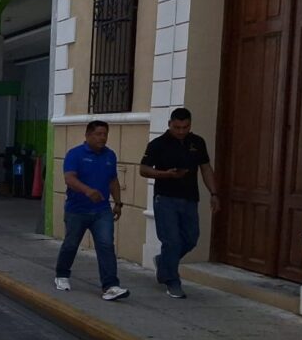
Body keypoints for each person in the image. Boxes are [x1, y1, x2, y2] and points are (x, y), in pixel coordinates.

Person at [139, 108, 218, 299]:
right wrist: (165, 174)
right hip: (165, 198)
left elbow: (206, 168)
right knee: (172, 240)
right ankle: (172, 281)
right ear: (169, 124)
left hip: (190, 198)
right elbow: (143, 169)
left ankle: (164, 262)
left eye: (185, 127)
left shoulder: (197, 142)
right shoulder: (158, 144)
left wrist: (214, 193)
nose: (181, 131)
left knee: (191, 238)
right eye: (177, 127)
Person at [54, 120, 130, 302]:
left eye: (105, 134)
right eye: (98, 134)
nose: (102, 138)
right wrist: (87, 191)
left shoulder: (110, 155)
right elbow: (69, 178)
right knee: (71, 244)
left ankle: (110, 285)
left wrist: (118, 203)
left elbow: (113, 180)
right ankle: (62, 274)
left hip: (102, 210)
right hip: (77, 210)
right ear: (87, 136)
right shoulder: (75, 154)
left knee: (105, 245)